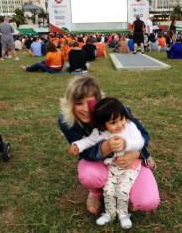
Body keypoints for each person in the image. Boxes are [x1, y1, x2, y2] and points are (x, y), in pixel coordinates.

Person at [58, 76, 160, 217]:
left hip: (130, 160)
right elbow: (84, 153)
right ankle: (96, 192)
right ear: (71, 104)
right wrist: (103, 147)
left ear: (99, 100)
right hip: (101, 162)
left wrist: (136, 153)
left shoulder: (114, 110)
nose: (86, 109)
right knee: (89, 175)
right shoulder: (66, 121)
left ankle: (131, 188)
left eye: (90, 103)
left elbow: (143, 135)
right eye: (79, 103)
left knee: (148, 201)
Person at [70, 97, 144, 229]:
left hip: (130, 168)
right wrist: (77, 145)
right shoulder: (100, 133)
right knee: (108, 190)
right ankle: (109, 213)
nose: (120, 124)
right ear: (103, 125)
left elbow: (140, 142)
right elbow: (88, 141)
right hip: (112, 167)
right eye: (113, 122)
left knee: (122, 190)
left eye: (121, 119)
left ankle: (123, 214)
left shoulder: (130, 127)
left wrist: (126, 144)